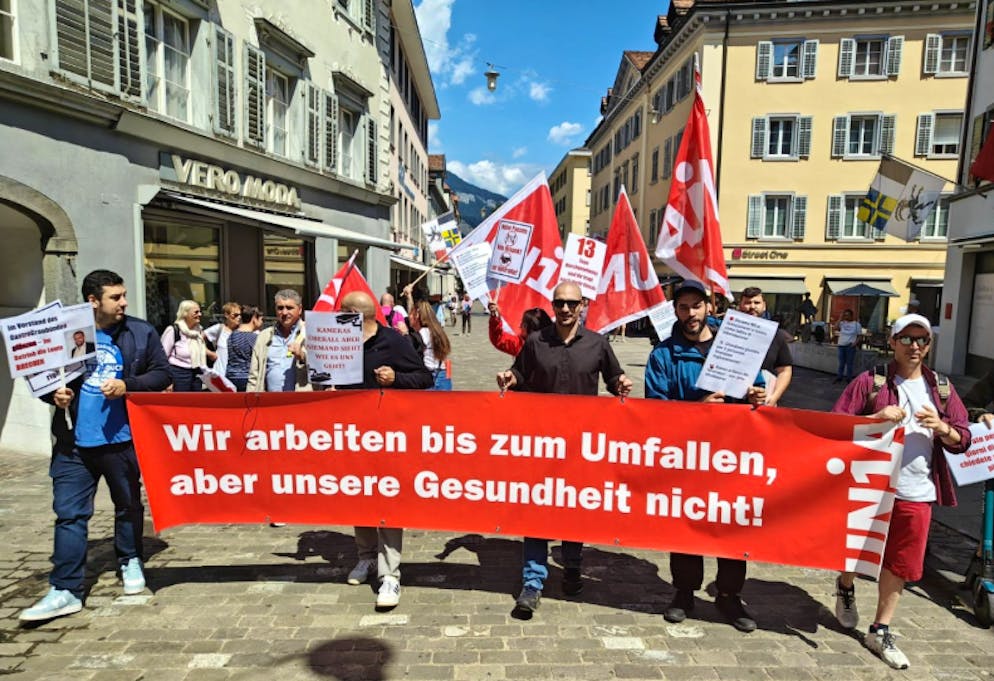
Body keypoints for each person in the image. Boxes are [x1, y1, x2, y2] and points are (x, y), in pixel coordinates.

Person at [19, 270, 171, 622]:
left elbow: (162, 373)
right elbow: (43, 376)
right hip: (73, 443)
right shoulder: (64, 331)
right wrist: (51, 396)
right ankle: (65, 589)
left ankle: (130, 560)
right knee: (70, 514)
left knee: (128, 505)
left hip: (122, 440)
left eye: (123, 295)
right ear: (93, 301)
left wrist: (127, 384)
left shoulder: (139, 331)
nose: (124, 303)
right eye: (115, 297)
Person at [831, 314, 970, 669]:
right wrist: (874, 420)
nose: (914, 346)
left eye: (922, 340)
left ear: (929, 345)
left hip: (916, 490)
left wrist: (942, 427)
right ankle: (846, 586)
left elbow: (962, 438)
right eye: (906, 339)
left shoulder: (941, 387)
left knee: (901, 563)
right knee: (857, 550)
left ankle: (880, 629)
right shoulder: (872, 381)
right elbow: (836, 423)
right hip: (870, 486)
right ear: (892, 342)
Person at [496, 281, 632, 617]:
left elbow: (614, 378)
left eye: (572, 303)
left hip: (582, 446)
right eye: (560, 304)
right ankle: (533, 581)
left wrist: (621, 384)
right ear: (552, 306)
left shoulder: (598, 344)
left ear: (583, 304)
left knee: (574, 509)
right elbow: (518, 372)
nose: (566, 309)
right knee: (537, 510)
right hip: (541, 445)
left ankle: (572, 565)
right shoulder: (535, 342)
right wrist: (509, 378)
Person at [644, 280, 766, 633]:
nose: (691, 313)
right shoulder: (664, 354)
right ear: (675, 311)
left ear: (709, 307)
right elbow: (655, 409)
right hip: (686, 457)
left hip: (731, 457)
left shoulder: (735, 350)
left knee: (731, 527)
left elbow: (754, 391)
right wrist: (698, 409)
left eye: (697, 306)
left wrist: (757, 397)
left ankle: (729, 595)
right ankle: (684, 592)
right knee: (686, 527)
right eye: (683, 307)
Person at [338, 291, 432, 608]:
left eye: (341, 311)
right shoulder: (340, 339)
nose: (336, 315)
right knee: (358, 496)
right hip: (350, 434)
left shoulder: (392, 341)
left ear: (354, 314)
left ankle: (390, 573)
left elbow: (424, 377)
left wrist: (395, 378)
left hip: (386, 436)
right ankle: (366, 558)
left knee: (387, 501)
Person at [738, 287, 793, 406]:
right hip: (732, 404)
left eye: (756, 302)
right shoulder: (728, 332)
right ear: (740, 305)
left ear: (764, 306)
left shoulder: (776, 334)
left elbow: (785, 370)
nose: (752, 306)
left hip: (764, 403)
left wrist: (773, 397)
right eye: (747, 302)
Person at [246, 290, 309, 393]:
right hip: (271, 403)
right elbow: (254, 376)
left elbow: (323, 368)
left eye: (289, 308)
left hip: (301, 403)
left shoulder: (310, 333)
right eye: (280, 308)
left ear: (300, 309)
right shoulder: (264, 336)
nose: (284, 313)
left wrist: (303, 356)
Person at [160, 300, 211, 392]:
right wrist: (167, 381)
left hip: (197, 373)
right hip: (178, 374)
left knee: (195, 404)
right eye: (196, 312)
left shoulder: (199, 331)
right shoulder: (173, 330)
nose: (200, 314)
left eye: (200, 311)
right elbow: (162, 358)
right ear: (185, 314)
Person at [411, 298, 452, 390]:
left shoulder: (420, 334)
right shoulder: (436, 331)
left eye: (410, 314)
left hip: (429, 376)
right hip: (443, 374)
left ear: (417, 315)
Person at [486, 301, 553, 356]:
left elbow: (498, 339)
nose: (520, 326)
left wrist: (495, 316)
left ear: (531, 329)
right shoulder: (557, 344)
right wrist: (494, 315)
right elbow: (498, 339)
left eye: (523, 324)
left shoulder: (521, 346)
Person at [224, 305, 263, 392]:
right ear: (254, 319)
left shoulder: (232, 335)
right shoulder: (254, 337)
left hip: (231, 376)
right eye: (261, 319)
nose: (262, 323)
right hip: (247, 377)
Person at [203, 301, 241, 379]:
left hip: (237, 376)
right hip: (219, 374)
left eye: (240, 315)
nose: (239, 318)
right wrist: (209, 353)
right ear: (226, 315)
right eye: (235, 315)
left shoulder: (242, 331)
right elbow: (198, 339)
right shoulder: (219, 329)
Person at [834, 309, 862, 384]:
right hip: (841, 345)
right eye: (845, 315)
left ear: (851, 315)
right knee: (841, 363)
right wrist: (840, 318)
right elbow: (835, 328)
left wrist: (855, 343)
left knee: (849, 363)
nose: (846, 316)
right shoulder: (842, 323)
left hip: (850, 345)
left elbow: (859, 336)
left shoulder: (856, 324)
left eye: (847, 315)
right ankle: (839, 377)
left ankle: (849, 378)